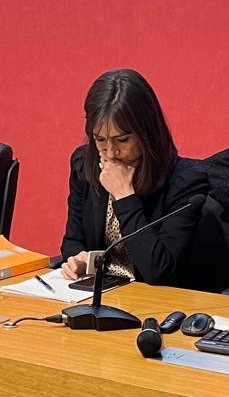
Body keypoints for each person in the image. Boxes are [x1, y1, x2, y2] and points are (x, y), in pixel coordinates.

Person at [58, 69, 209, 287]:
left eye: (122, 140)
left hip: (151, 300)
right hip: (97, 290)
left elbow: (159, 271)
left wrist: (124, 195)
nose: (110, 152)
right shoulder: (84, 165)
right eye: (100, 139)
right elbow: (73, 240)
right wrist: (78, 261)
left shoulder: (186, 182)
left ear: (146, 132)